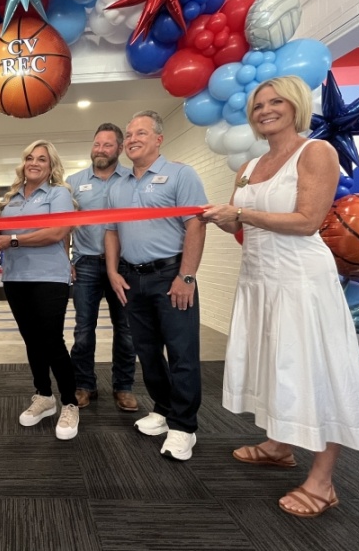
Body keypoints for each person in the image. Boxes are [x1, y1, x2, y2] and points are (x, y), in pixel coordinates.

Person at [201, 76, 359, 518]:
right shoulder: (248, 166)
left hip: (301, 278)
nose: (265, 110)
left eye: (275, 101)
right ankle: (280, 445)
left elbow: (307, 220)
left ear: (295, 106)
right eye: (258, 104)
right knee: (274, 365)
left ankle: (323, 482)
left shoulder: (316, 151)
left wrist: (239, 213)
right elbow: (238, 223)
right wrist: (207, 216)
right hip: (259, 279)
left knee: (318, 369)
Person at [105, 110, 207, 462]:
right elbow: (112, 231)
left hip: (171, 276)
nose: (132, 139)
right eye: (129, 134)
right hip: (131, 278)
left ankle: (183, 426)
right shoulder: (118, 185)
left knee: (181, 353)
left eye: (141, 133)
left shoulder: (181, 174)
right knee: (146, 352)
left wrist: (187, 275)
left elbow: (196, 225)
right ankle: (163, 411)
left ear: (159, 139)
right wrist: (113, 272)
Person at [0, 140, 79, 439]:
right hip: (16, 277)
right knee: (31, 339)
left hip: (49, 276)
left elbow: (57, 232)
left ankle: (69, 402)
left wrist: (13, 240)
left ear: (50, 166)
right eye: (30, 157)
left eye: (42, 159)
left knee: (52, 340)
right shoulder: (12, 197)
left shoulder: (59, 194)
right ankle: (44, 395)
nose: (34, 162)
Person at [66, 123, 137, 411]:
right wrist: (65, 259)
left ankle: (124, 387)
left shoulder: (132, 179)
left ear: (119, 149)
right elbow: (64, 225)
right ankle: (84, 385)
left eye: (108, 145)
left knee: (127, 329)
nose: (100, 150)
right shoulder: (73, 181)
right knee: (83, 329)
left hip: (124, 266)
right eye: (97, 144)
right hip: (85, 264)